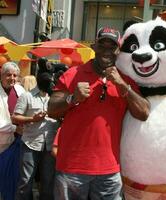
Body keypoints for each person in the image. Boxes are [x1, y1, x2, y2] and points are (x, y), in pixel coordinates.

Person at [48, 27, 150, 200]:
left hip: (109, 170)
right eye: (102, 46)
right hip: (72, 167)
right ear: (94, 47)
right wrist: (73, 98)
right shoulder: (73, 74)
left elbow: (144, 112)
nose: (106, 52)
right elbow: (51, 109)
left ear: (118, 50)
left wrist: (122, 85)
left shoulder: (125, 79)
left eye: (112, 47)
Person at [13, 72, 59, 200]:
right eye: (49, 82)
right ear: (40, 82)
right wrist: (32, 118)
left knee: (48, 181)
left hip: (50, 146)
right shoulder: (26, 96)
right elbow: (15, 117)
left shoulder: (55, 97)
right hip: (30, 144)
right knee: (26, 181)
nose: (52, 84)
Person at [0, 62, 25, 200]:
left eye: (15, 75)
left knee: (14, 180)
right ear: (1, 75)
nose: (12, 78)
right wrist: (16, 128)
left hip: (18, 142)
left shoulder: (20, 90)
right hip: (2, 145)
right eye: (8, 75)